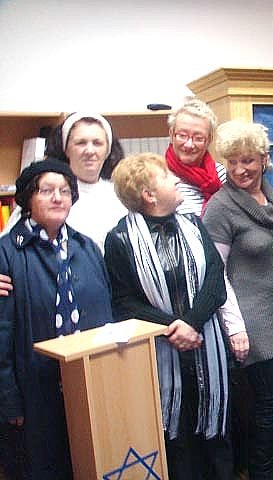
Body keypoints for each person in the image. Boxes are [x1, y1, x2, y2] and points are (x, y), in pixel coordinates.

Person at [104, 153, 236, 480]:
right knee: (177, 443)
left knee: (217, 439)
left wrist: (191, 323)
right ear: (149, 195)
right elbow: (124, 302)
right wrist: (173, 329)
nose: (175, 180)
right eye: (166, 177)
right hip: (161, 355)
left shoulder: (193, 224)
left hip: (206, 345)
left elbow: (215, 281)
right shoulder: (119, 239)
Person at [202, 120, 273, 480]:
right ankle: (263, 472)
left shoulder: (271, 196)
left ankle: (272, 467)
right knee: (268, 401)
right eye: (232, 162)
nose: (239, 169)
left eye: (247, 160)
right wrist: (235, 328)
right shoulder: (220, 207)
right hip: (249, 317)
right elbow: (216, 274)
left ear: (263, 159)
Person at [0, 159, 113, 479]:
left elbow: (108, 313)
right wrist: (9, 399)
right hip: (35, 392)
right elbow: (2, 334)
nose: (58, 198)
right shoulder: (7, 253)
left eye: (65, 191)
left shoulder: (87, 247)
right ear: (27, 198)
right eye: (46, 190)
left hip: (89, 384)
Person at [2, 112, 128, 252]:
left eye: (97, 143)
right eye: (81, 143)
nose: (90, 150)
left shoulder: (121, 197)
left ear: (107, 150)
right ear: (66, 149)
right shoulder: (43, 195)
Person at [166, 98, 227, 216]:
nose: (189, 144)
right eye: (182, 135)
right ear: (171, 134)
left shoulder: (220, 174)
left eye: (198, 138)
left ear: (209, 140)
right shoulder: (159, 177)